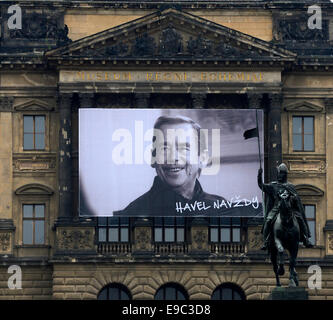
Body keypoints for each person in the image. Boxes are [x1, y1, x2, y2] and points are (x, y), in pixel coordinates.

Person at [114, 115, 228, 216]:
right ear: (152, 158)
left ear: (202, 159)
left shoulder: (222, 208)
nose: (173, 157)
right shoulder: (130, 215)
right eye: (164, 148)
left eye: (184, 148)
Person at [258, 163, 313, 250]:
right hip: (276, 208)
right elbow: (262, 186)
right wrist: (259, 175)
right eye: (279, 173)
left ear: (285, 175)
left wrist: (293, 198)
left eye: (282, 173)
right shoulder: (273, 185)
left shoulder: (290, 186)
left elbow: (295, 198)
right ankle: (265, 242)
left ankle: (306, 239)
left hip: (290, 208)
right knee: (268, 221)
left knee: (300, 219)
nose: (280, 175)